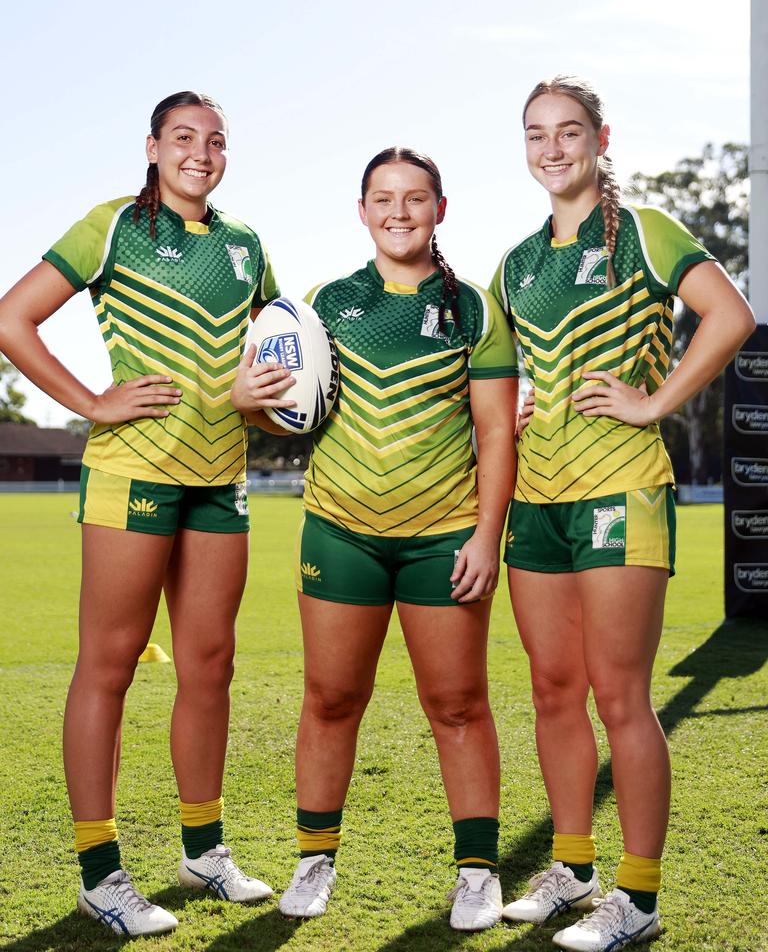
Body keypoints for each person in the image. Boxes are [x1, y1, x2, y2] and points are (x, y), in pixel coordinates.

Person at [0, 91, 284, 937]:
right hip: (132, 477)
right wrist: (92, 400)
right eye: (184, 137)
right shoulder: (114, 224)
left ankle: (204, 850)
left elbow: (274, 370)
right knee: (110, 667)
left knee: (209, 665)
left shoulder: (246, 247)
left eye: (216, 140)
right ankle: (100, 873)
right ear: (154, 146)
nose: (201, 152)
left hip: (220, 481)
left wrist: (263, 403)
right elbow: (13, 320)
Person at [489, 76, 755, 952]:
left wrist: (656, 404)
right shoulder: (515, 264)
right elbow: (491, 383)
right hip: (538, 498)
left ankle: (637, 898)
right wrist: (517, 406)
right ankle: (572, 867)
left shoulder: (641, 229)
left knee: (621, 697)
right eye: (536, 135)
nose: (552, 149)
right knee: (554, 690)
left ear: (602, 140)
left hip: (621, 491)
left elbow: (730, 314)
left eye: (569, 132)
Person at [232, 147, 518, 931]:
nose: (399, 211)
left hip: (444, 538)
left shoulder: (477, 310)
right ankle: (314, 861)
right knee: (330, 699)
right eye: (383, 198)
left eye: (415, 198)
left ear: (440, 209)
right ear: (361, 210)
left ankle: (477, 872)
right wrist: (245, 399)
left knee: (458, 704)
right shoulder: (320, 302)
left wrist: (486, 537)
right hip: (341, 533)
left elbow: (497, 435)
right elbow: (280, 414)